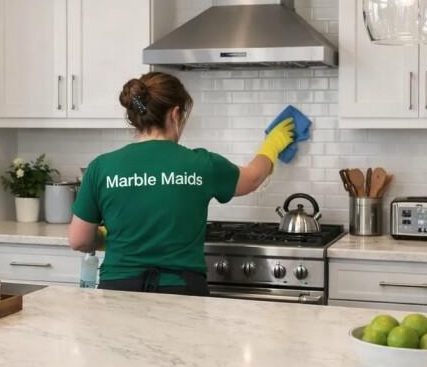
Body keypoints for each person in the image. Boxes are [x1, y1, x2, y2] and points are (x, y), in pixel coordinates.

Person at [69, 71, 294, 296]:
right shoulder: (202, 164)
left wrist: (103, 237)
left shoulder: (101, 167)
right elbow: (253, 178)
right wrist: (272, 144)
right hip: (182, 290)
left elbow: (79, 240)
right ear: (175, 114)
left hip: (119, 290)